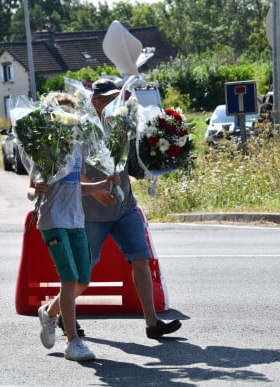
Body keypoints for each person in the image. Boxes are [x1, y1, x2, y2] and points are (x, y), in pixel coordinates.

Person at [79, 78, 182, 339]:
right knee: (82, 270)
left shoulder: (125, 125)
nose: (115, 103)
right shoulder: (81, 130)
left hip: (125, 207)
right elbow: (70, 172)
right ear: (95, 101)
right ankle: (58, 312)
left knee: (141, 258)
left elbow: (136, 162)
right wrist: (96, 190)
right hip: (94, 212)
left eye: (117, 98)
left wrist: (160, 153)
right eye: (108, 99)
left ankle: (152, 323)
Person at [27, 92, 120, 361]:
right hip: (53, 219)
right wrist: (37, 190)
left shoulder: (78, 146)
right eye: (61, 113)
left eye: (70, 112)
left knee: (83, 280)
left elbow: (74, 186)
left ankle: (49, 312)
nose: (67, 119)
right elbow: (31, 190)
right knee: (68, 279)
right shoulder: (45, 148)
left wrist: (102, 185)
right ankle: (73, 342)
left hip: (76, 219)